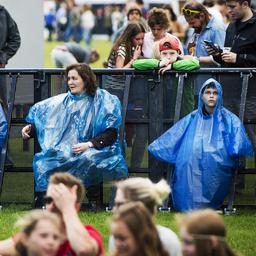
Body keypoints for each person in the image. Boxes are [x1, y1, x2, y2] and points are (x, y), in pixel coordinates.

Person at [21, 63, 128, 209]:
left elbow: (111, 133)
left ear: (85, 79)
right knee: (43, 162)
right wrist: (30, 129)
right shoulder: (62, 102)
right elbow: (48, 123)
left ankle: (94, 201)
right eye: (69, 78)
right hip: (67, 149)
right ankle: (45, 203)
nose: (70, 82)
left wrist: (89, 144)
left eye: (74, 78)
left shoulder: (103, 100)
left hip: (97, 148)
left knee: (89, 158)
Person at [148, 78, 253, 212]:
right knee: (187, 162)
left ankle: (207, 204)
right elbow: (175, 135)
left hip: (218, 162)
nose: (211, 95)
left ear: (220, 95)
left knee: (213, 163)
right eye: (207, 92)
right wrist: (158, 146)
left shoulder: (229, 118)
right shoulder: (192, 118)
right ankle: (189, 203)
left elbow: (238, 144)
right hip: (191, 160)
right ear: (201, 96)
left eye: (215, 93)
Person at [0, 172, 104, 256]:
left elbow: (84, 250)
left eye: (60, 200)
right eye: (49, 200)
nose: (52, 205)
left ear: (76, 206)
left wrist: (67, 208)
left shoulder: (89, 234)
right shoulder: (37, 233)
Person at [109, 177, 182, 256]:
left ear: (140, 207)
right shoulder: (116, 239)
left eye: (120, 204)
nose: (114, 210)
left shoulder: (167, 241)